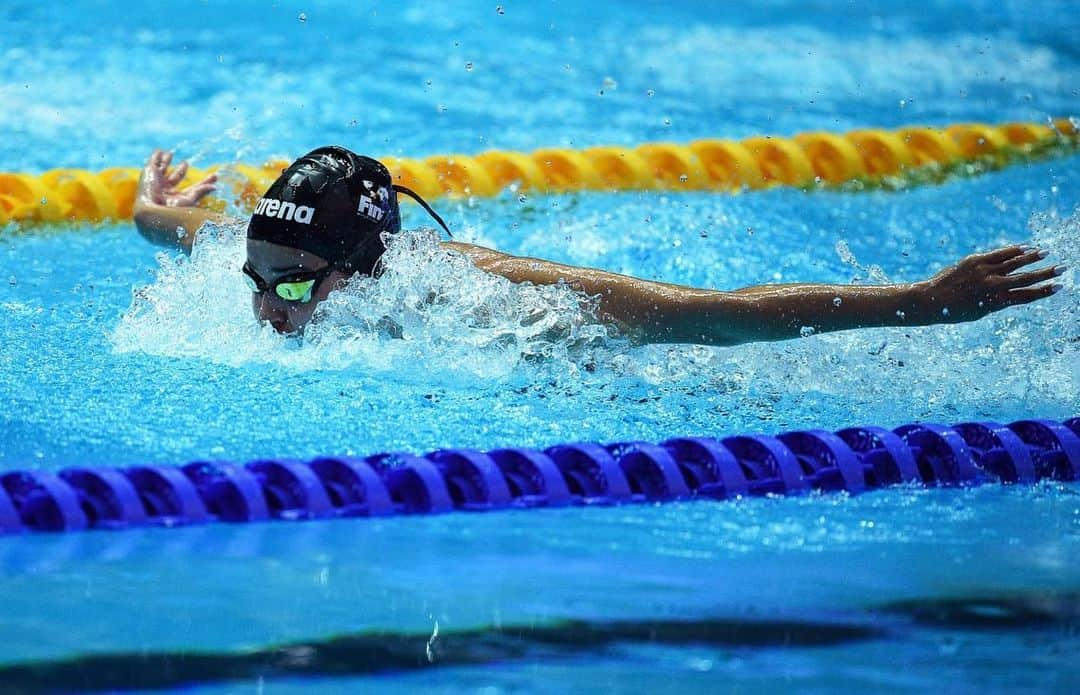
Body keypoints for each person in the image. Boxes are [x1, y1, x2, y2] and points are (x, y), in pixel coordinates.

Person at [133, 146, 1065, 343]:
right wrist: (148, 206)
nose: (262, 306)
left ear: (362, 269)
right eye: (261, 278)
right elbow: (190, 235)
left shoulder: (471, 290)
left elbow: (699, 313)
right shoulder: (277, 257)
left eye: (290, 288)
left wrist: (920, 301)